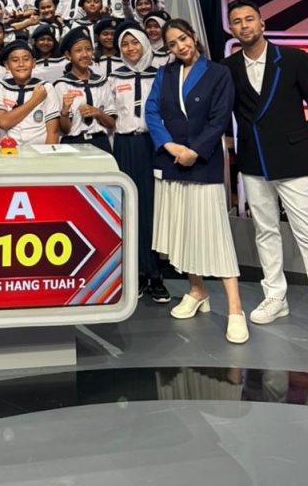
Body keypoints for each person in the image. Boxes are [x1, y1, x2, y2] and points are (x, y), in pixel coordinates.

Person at [224, 0, 308, 353]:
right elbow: (225, 112)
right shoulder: (229, 67)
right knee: (265, 232)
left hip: (293, 159)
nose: (244, 25)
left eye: (249, 19)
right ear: (231, 28)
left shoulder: (293, 58)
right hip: (253, 160)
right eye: (237, 21)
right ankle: (275, 296)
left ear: (262, 23)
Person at [145, 18, 248, 344]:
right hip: (172, 161)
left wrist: (195, 151)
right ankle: (197, 289)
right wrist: (170, 146)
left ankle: (235, 309)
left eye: (183, 39)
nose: (180, 47)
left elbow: (220, 119)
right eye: (172, 44)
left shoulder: (218, 73)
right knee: (183, 232)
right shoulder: (165, 74)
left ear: (193, 36)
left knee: (215, 236)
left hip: (203, 163)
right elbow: (151, 112)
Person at [111, 23, 169, 303]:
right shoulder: (113, 77)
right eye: (125, 44)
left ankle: (155, 274)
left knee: (151, 208)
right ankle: (135, 273)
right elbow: (110, 117)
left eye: (135, 42)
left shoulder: (160, 75)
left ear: (145, 44)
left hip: (152, 145)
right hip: (125, 145)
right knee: (127, 208)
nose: (130, 48)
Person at [54, 27, 116, 152]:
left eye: (88, 49)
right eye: (78, 50)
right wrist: (64, 112)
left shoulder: (101, 82)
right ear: (68, 55)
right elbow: (64, 130)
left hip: (100, 141)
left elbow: (111, 123)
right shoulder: (62, 84)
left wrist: (98, 113)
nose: (85, 54)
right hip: (73, 142)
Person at [0, 39, 60, 146]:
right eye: (15, 60)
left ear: (34, 63)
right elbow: (3, 122)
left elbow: (53, 132)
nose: (21, 64)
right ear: (7, 65)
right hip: (8, 150)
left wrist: (47, 155)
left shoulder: (46, 88)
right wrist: (35, 100)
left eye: (26, 59)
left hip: (39, 150)